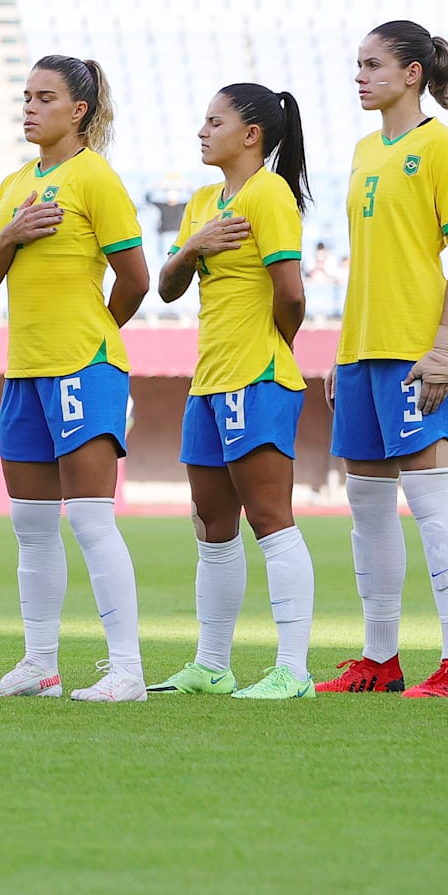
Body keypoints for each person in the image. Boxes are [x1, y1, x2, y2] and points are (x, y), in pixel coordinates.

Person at [0, 56, 151, 703]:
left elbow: (135, 278)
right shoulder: (14, 185)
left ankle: (125, 669)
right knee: (32, 524)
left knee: (92, 520)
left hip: (83, 365)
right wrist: (13, 233)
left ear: (78, 111)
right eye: (26, 96)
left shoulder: (94, 177)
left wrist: (96, 336)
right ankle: (40, 665)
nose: (29, 107)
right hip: (25, 371)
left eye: (44, 98)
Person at [318, 20, 448, 697]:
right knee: (367, 504)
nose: (360, 75)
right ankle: (380, 659)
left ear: (413, 72)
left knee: (430, 497)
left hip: (416, 352)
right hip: (360, 351)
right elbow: (368, 264)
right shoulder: (362, 150)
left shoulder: (442, 146)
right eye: (357, 64)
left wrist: (444, 346)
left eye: (373, 64)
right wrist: (341, 352)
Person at [150, 84, 317, 701]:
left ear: (251, 135)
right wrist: (192, 247)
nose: (202, 130)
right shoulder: (200, 203)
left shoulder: (269, 194)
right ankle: (212, 664)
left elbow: (292, 294)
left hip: (257, 377)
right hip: (208, 381)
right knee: (211, 523)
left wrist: (273, 350)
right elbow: (167, 288)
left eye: (213, 121)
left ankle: (294, 671)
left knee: (271, 520)